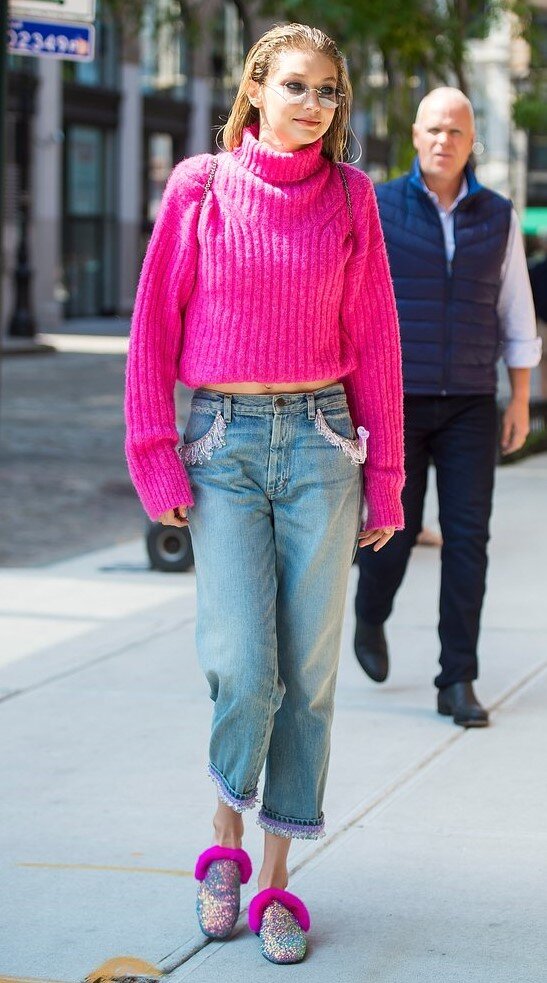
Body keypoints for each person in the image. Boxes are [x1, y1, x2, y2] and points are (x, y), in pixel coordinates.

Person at [125, 23, 404, 965]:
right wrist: (155, 456)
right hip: (223, 446)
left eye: (328, 92)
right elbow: (151, 331)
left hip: (324, 444)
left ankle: (277, 882)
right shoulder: (199, 188)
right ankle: (223, 841)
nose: (313, 106)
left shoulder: (351, 198)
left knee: (309, 680)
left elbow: (374, 344)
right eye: (295, 86)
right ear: (254, 91)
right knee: (247, 666)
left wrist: (388, 478)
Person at [354, 87, 542, 728]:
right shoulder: (378, 207)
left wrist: (519, 395)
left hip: (468, 402)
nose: (444, 140)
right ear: (414, 134)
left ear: (470, 142)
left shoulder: (498, 215)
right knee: (394, 532)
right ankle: (370, 615)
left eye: (456, 132)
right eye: (434, 129)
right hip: (395, 400)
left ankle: (457, 679)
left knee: (469, 541)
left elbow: (517, 312)